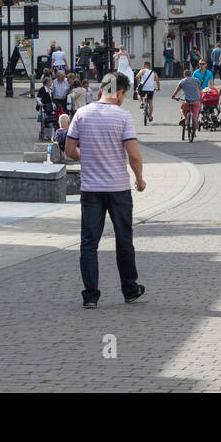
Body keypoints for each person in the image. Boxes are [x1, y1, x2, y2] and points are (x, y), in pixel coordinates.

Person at [64, 72, 147, 308]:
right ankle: (130, 290)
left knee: (89, 242)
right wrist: (139, 179)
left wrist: (86, 156)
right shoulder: (122, 117)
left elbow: (69, 149)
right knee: (124, 240)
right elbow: (133, 155)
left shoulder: (82, 113)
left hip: (91, 189)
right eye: (123, 95)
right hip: (118, 188)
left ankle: (91, 296)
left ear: (102, 89)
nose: (123, 99)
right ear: (118, 92)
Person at [171, 67, 203, 132]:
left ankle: (183, 118)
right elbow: (200, 90)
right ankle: (194, 132)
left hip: (187, 101)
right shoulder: (196, 80)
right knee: (195, 117)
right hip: (196, 101)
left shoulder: (182, 81)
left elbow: (177, 90)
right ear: (191, 74)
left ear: (184, 75)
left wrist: (173, 96)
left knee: (182, 109)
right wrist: (200, 99)